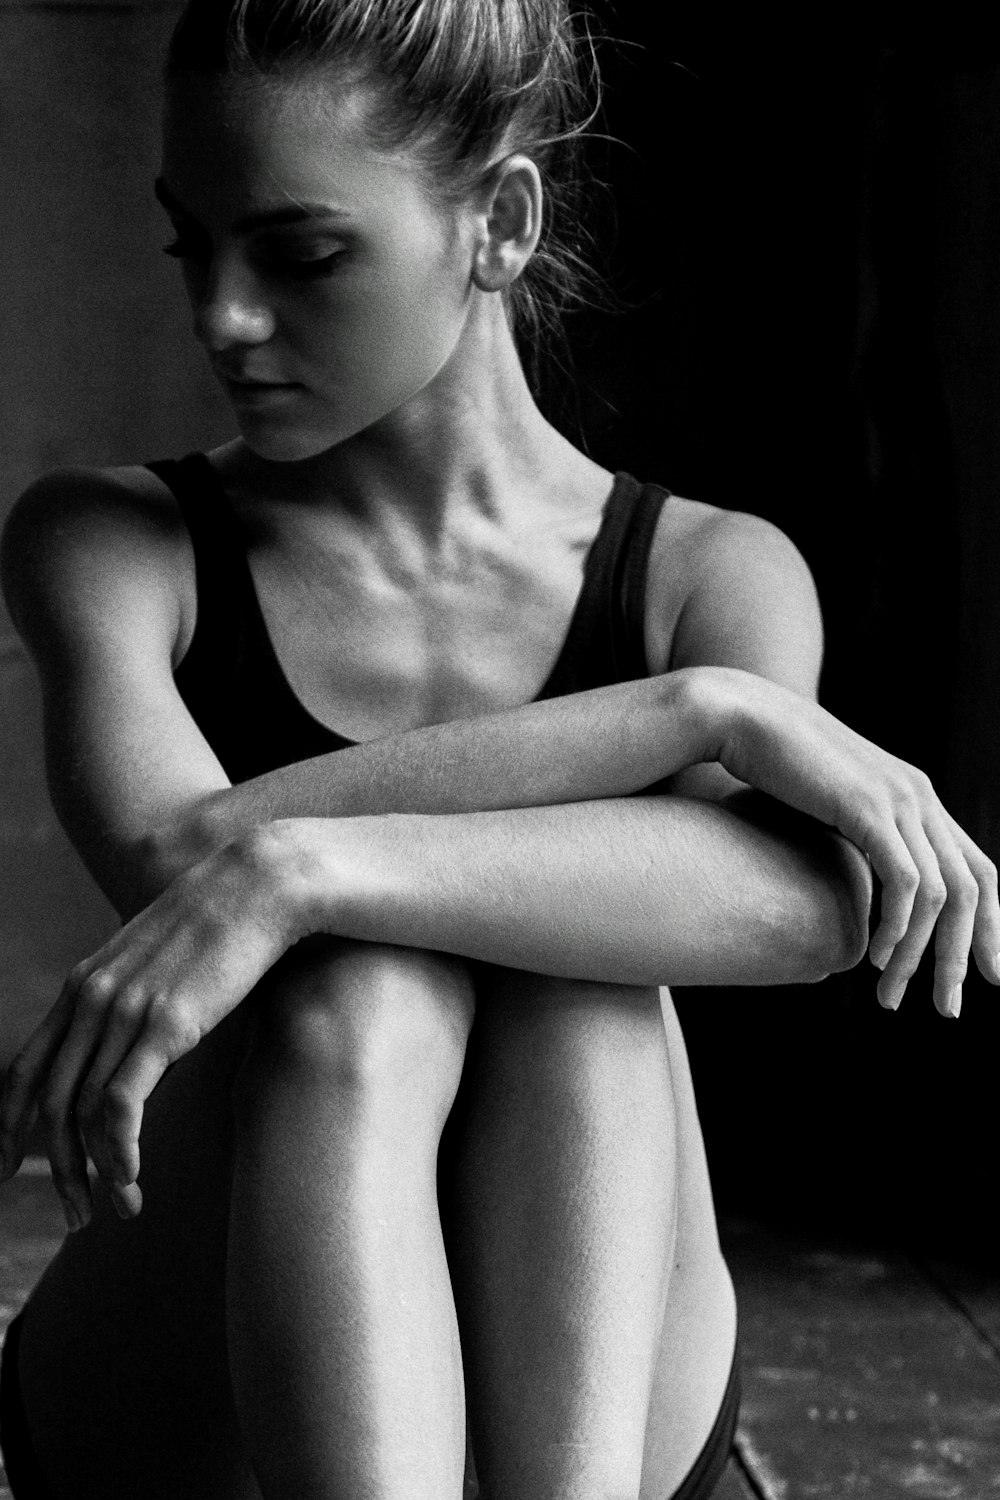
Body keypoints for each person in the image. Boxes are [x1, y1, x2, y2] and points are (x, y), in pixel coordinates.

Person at [0, 2, 996, 1496]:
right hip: (187, 1406)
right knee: (362, 993)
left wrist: (306, 864)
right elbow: (177, 852)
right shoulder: (114, 541)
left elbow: (803, 913)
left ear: (502, 226)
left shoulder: (710, 572)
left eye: (300, 253)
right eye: (189, 244)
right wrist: (691, 718)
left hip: (596, 1408)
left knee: (572, 990)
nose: (221, 317)